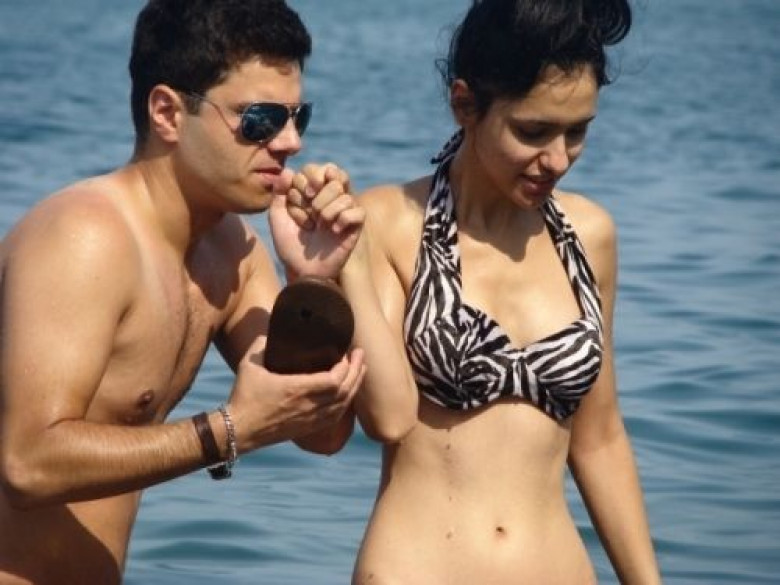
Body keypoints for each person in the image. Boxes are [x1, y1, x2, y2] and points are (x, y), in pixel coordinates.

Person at [0, 1, 395, 583]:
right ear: (167, 113)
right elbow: (27, 464)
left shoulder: (232, 251)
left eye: (298, 118)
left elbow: (321, 432)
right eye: (260, 119)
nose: (289, 142)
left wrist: (312, 279)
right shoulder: (86, 237)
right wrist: (228, 430)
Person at [290, 0, 663, 583]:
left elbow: (599, 441)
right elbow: (386, 417)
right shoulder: (385, 225)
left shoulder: (590, 237)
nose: (557, 159)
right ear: (464, 104)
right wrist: (340, 267)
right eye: (533, 132)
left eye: (577, 132)